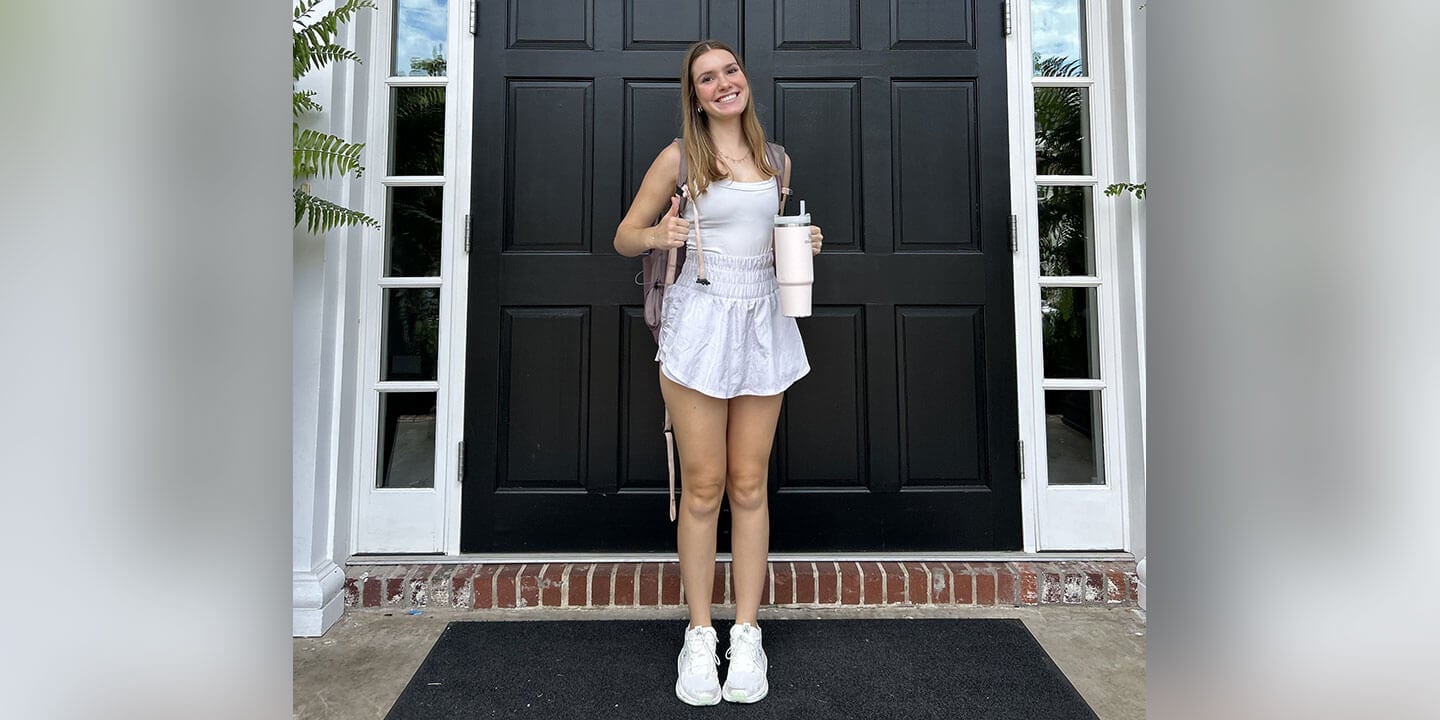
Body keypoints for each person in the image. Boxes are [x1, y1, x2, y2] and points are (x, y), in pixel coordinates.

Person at [612, 39, 824, 706]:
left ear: (743, 80)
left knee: (749, 484)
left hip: (764, 318)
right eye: (708, 78)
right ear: (695, 94)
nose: (723, 83)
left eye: (730, 70)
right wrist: (657, 237)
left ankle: (748, 632)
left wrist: (801, 240)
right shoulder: (680, 158)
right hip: (699, 321)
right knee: (703, 487)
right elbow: (624, 234)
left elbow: (760, 236)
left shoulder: (777, 160)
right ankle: (700, 635)